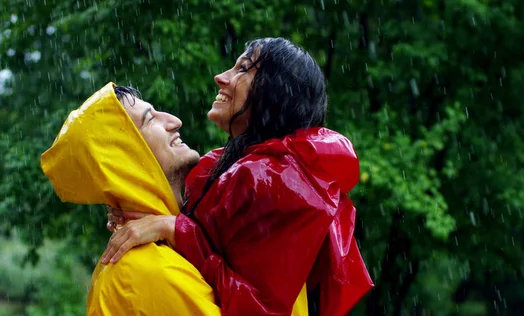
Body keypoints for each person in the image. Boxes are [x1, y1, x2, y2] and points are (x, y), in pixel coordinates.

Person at [102, 37, 374, 316]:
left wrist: (172, 229)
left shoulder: (277, 181)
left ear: (275, 92)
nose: (221, 78)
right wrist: (131, 201)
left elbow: (256, 308)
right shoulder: (238, 164)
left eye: (243, 68)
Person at [40, 82, 308, 315]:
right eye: (149, 119)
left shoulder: (182, 239)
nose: (174, 120)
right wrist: (278, 226)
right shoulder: (144, 273)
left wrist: (173, 227)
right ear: (127, 158)